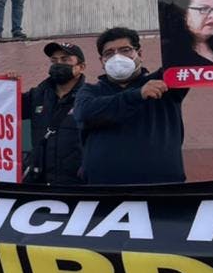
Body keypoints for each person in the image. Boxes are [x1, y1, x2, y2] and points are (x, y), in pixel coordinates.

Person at [74, 28, 186, 185]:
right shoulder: (91, 91)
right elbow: (84, 114)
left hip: (162, 189)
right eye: (109, 53)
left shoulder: (164, 81)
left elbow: (187, 55)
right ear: (102, 61)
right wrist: (137, 95)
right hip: (102, 190)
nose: (117, 57)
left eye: (125, 50)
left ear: (139, 54)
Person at [20, 42, 86, 186]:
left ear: (81, 67)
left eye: (65, 59)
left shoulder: (90, 97)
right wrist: (8, 86)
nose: (58, 64)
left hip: (76, 187)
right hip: (39, 183)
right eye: (54, 61)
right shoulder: (36, 95)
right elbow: (3, 108)